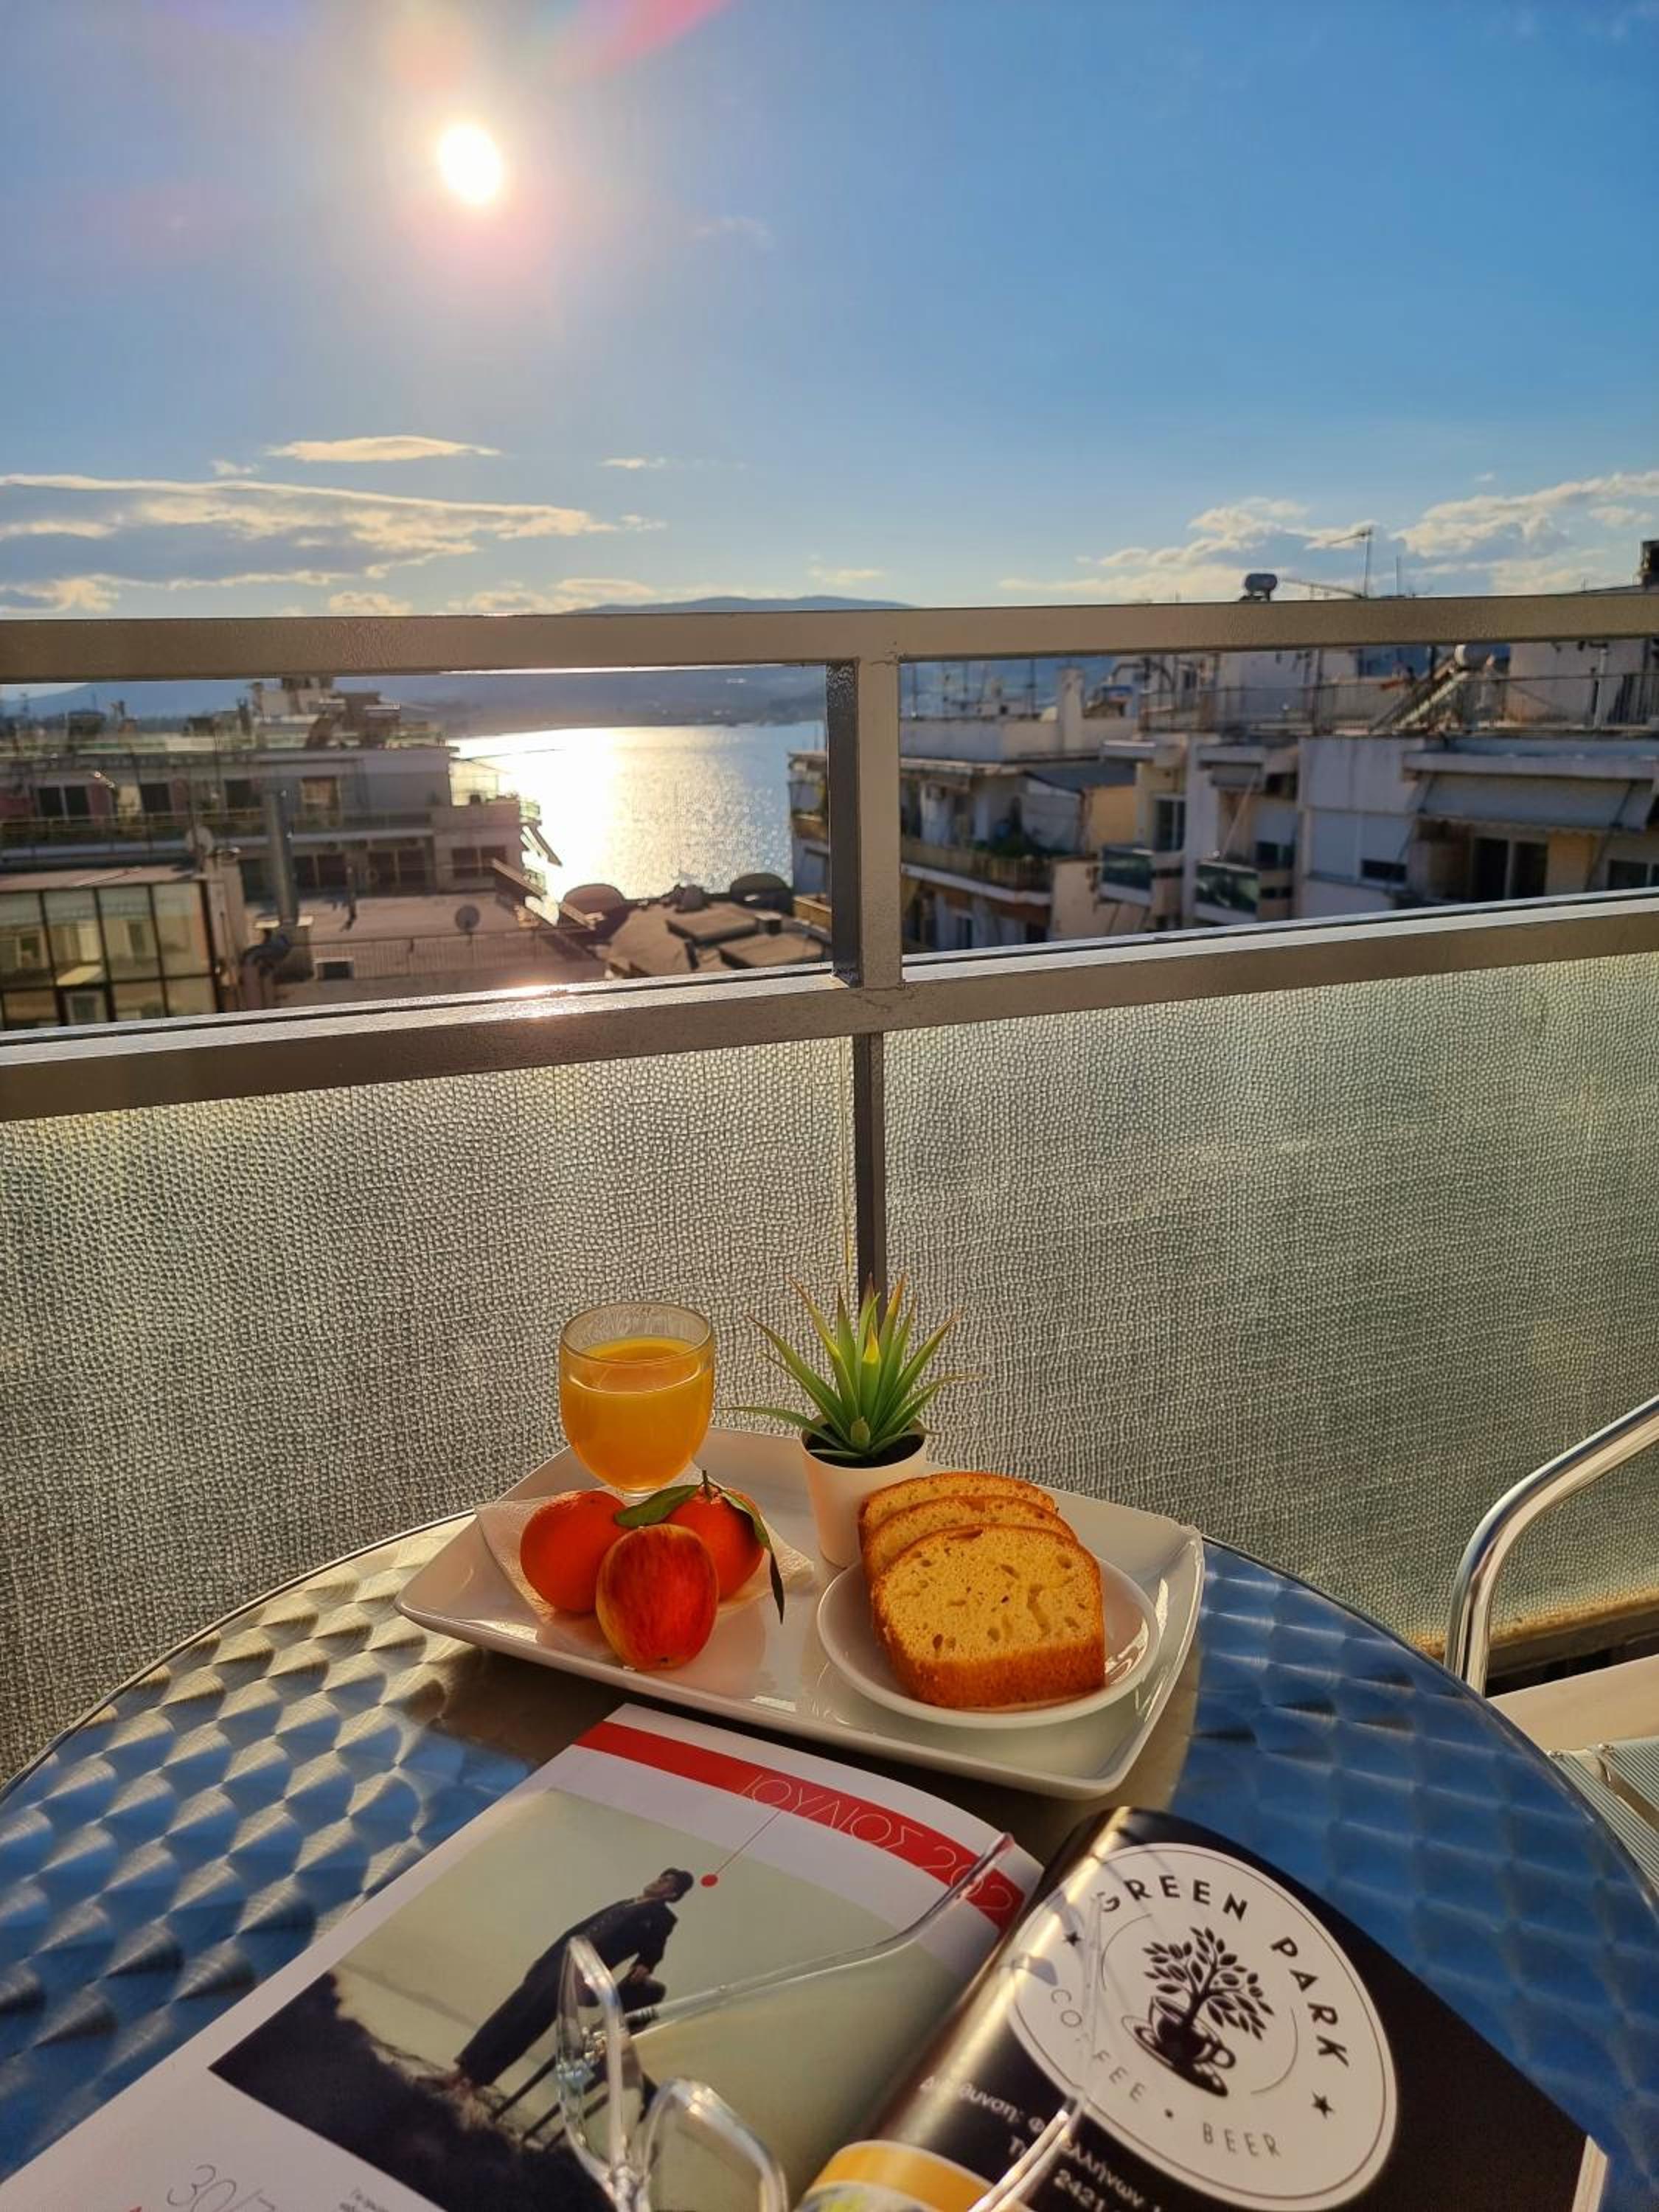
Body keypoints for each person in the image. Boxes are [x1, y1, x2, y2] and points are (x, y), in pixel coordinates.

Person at [448, 1868, 695, 2093]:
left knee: (526, 2026)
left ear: (672, 1894)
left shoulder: (661, 1919)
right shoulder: (626, 1903)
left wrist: (646, 1964)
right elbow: (578, 1932)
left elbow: (655, 1947)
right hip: (556, 1963)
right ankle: (461, 2070)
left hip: (576, 1977)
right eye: (661, 1877)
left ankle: (474, 2082)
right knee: (508, 2014)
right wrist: (545, 1960)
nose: (659, 1881)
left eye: (667, 1882)